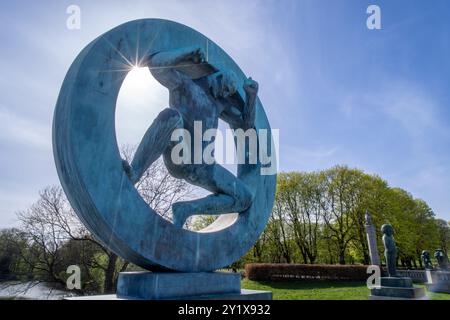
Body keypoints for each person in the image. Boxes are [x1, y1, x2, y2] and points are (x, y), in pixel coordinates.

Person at [122, 46, 259, 228]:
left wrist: (251, 97)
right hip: (182, 156)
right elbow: (155, 66)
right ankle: (135, 172)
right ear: (217, 77)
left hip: (205, 167)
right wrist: (183, 54)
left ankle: (185, 209)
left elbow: (246, 126)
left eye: (229, 93)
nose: (225, 95)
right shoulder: (185, 85)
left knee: (245, 198)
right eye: (225, 89)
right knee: (171, 116)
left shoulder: (219, 105)